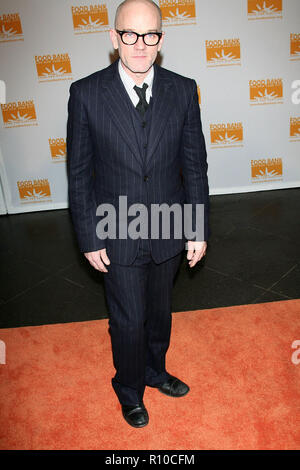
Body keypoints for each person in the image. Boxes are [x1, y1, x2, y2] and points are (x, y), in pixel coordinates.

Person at [67, 0, 209, 428]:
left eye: (150, 35)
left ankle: (154, 370)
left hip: (169, 228)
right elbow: (78, 173)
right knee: (128, 320)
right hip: (116, 230)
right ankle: (129, 388)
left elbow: (194, 164)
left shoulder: (183, 90)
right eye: (130, 34)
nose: (140, 45)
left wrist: (197, 228)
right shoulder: (87, 93)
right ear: (114, 38)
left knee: (160, 313)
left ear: (161, 40)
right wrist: (89, 236)